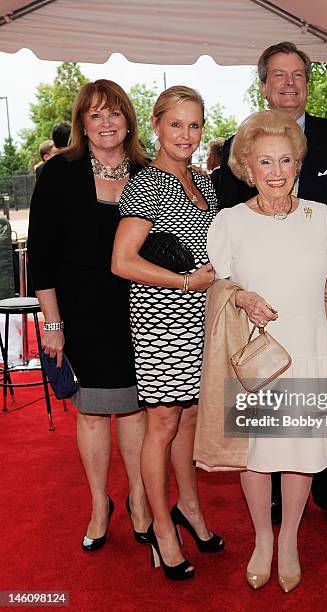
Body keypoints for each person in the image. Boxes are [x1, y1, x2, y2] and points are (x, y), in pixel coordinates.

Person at [217, 41, 327, 531]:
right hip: (259, 331)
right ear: (263, 84)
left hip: (319, 305)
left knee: (316, 431)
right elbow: (219, 271)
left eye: (298, 74)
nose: (288, 83)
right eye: (277, 75)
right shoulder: (241, 155)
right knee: (260, 439)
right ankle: (270, 524)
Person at [206, 109, 327, 592]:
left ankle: (289, 542)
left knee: (302, 454)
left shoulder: (320, 217)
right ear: (246, 165)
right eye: (265, 161)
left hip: (310, 348)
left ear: (298, 163)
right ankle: (263, 538)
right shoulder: (228, 222)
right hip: (256, 358)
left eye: (286, 160)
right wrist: (241, 296)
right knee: (256, 455)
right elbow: (219, 287)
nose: (277, 171)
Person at [28, 79, 151, 553]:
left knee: (138, 412)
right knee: (96, 413)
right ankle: (101, 505)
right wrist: (53, 323)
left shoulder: (148, 172)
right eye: (95, 115)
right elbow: (40, 256)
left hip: (145, 311)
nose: (106, 123)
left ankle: (140, 500)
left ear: (128, 120)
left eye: (114, 113)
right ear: (82, 123)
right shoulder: (60, 173)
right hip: (82, 314)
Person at [112, 85, 224, 581]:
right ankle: (162, 528)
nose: (186, 134)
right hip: (163, 320)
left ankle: (192, 509)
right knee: (162, 425)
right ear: (155, 125)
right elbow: (121, 261)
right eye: (176, 124)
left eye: (195, 124)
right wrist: (183, 280)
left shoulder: (204, 180)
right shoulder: (146, 185)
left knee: (189, 420)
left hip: (203, 317)